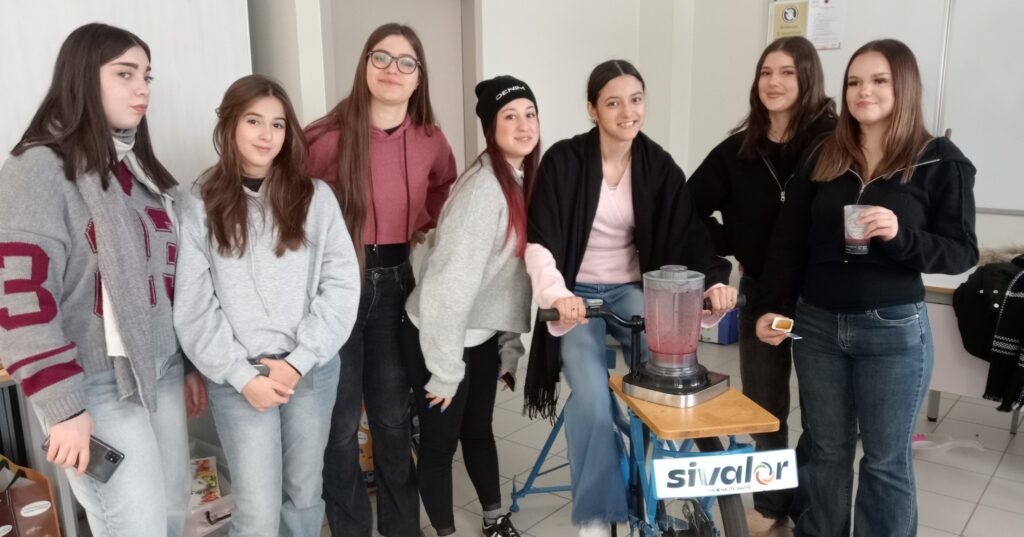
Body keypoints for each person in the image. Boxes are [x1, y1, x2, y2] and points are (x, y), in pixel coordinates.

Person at [755, 39, 979, 537]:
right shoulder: (824, 154)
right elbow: (789, 242)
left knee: (884, 459)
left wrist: (901, 236)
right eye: (854, 82)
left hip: (892, 330)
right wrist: (772, 306)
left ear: (905, 86)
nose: (864, 92)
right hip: (816, 326)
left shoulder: (939, 160)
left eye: (879, 81)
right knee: (826, 450)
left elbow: (962, 251)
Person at [0, 22, 205, 536]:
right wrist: (63, 408)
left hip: (158, 371)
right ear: (82, 77)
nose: (143, 89)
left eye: (147, 76)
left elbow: (167, 287)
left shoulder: (137, 174)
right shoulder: (38, 168)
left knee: (171, 516)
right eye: (125, 74)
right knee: (136, 527)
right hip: (93, 383)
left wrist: (185, 365)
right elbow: (19, 295)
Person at [522, 59, 737, 537]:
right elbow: (539, 243)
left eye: (636, 100)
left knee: (673, 369)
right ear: (592, 109)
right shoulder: (564, 162)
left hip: (630, 290)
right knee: (591, 397)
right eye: (613, 103)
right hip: (575, 296)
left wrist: (713, 284)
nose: (627, 112)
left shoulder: (658, 167)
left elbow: (689, 235)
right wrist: (556, 294)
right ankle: (598, 515)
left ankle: (655, 478)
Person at [173, 75, 360, 536]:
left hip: (309, 370)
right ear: (229, 125)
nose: (266, 135)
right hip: (240, 378)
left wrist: (297, 362)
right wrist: (241, 376)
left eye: (277, 124)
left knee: (304, 496)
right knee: (257, 511)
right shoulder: (196, 203)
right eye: (253, 121)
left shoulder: (316, 198)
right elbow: (194, 306)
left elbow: (341, 286)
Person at [306, 22, 458, 537]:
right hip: (338, 288)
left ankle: (401, 528)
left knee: (393, 420)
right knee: (340, 425)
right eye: (382, 58)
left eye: (406, 62)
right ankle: (351, 528)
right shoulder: (325, 136)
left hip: (397, 285)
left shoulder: (431, 139)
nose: (393, 70)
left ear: (419, 76)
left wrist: (419, 224)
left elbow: (444, 189)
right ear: (365, 65)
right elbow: (289, 201)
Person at [686, 35, 835, 534]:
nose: (773, 82)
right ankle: (773, 508)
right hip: (762, 297)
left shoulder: (834, 143)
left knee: (823, 418)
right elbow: (687, 208)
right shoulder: (737, 150)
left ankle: (811, 510)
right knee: (765, 412)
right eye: (766, 72)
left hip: (821, 300)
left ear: (808, 78)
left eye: (787, 72)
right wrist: (733, 243)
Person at [404, 75, 539, 537]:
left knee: (479, 430)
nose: (523, 125)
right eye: (510, 116)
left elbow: (508, 280)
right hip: (439, 333)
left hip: (476, 333)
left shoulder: (521, 180)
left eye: (530, 114)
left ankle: (494, 519)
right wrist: (445, 370)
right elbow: (448, 288)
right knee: (440, 445)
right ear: (490, 128)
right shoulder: (484, 190)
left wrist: (507, 345)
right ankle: (445, 533)